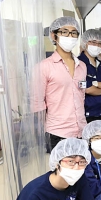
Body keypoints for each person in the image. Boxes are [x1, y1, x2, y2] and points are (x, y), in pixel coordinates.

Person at [34, 16, 87, 151]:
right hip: (58, 132)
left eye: (73, 32)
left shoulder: (82, 66)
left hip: (81, 130)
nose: (70, 36)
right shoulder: (44, 67)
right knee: (62, 171)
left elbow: (81, 95)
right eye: (64, 32)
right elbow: (37, 103)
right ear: (54, 35)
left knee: (81, 169)